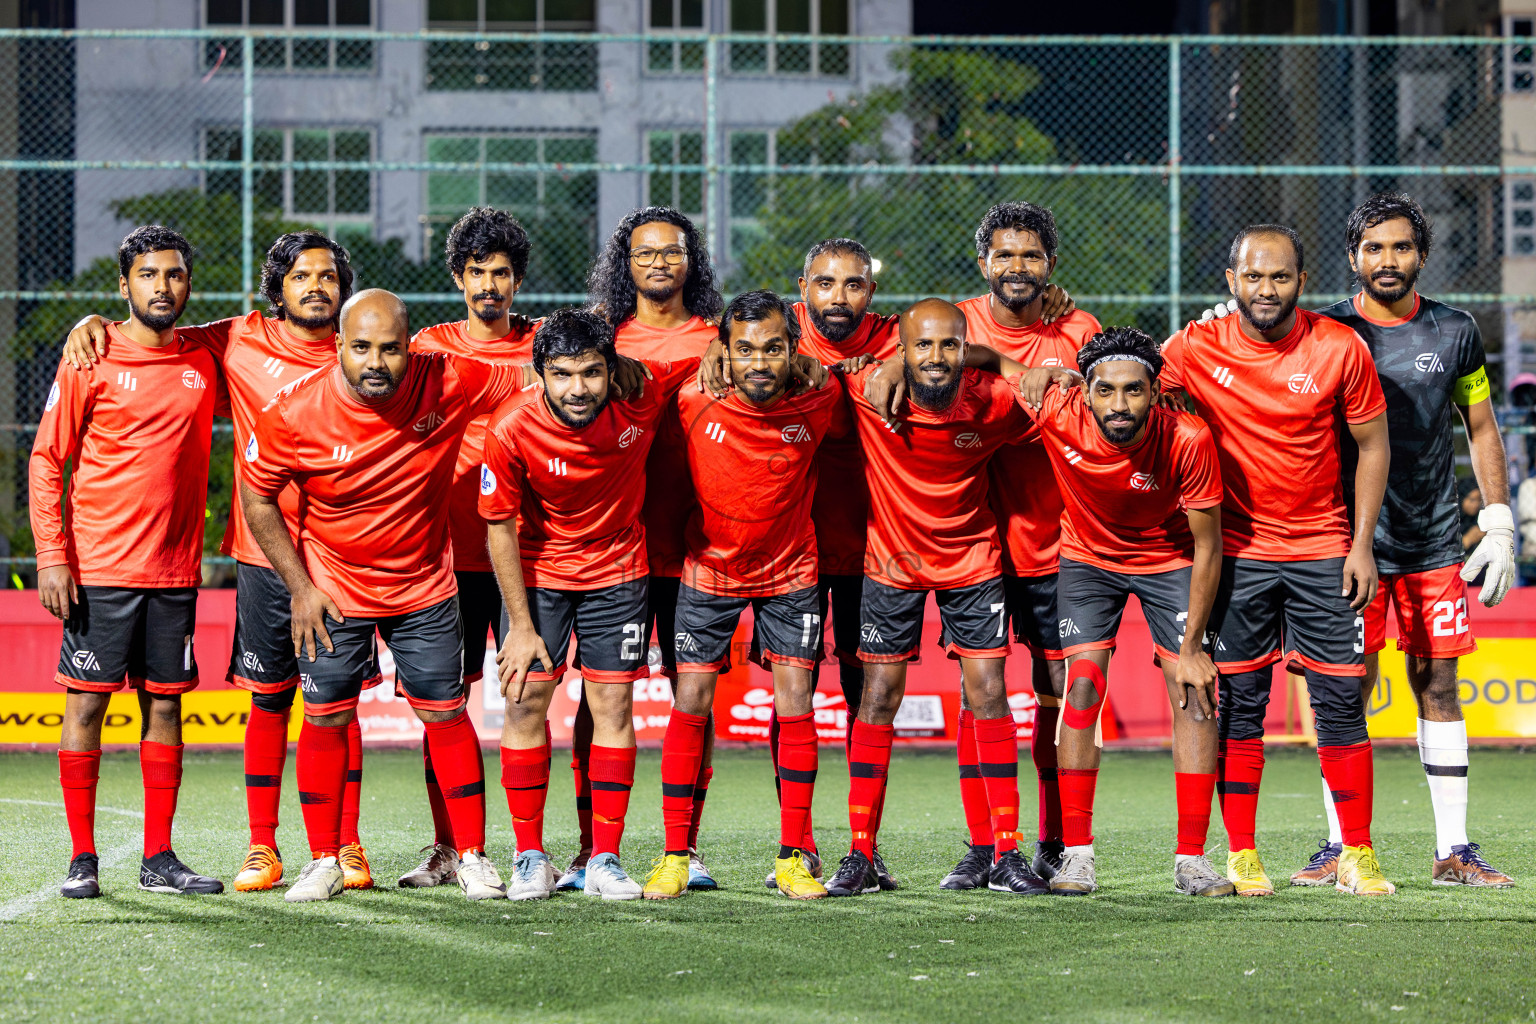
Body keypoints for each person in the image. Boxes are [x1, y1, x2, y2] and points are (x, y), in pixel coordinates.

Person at [60, 231, 369, 893]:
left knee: (338, 704)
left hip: (345, 556)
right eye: (301, 276)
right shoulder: (233, 342)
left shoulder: (367, 351)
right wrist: (92, 324)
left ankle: (347, 843)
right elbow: (152, 334)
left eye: (328, 277)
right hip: (261, 554)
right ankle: (263, 846)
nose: (316, 287)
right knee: (269, 699)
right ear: (278, 287)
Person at [240, 289, 531, 903]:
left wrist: (608, 359)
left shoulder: (448, 378)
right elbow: (257, 496)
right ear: (339, 346)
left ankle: (471, 856)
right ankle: (323, 859)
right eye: (363, 347)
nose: (378, 361)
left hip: (424, 586)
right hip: (334, 591)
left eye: (392, 348)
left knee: (445, 715)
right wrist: (300, 588)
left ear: (411, 348)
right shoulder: (293, 412)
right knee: (325, 717)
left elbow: (533, 373)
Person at [1290, 193, 1515, 888]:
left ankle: (1454, 850)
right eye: (1374, 248)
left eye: (1401, 247)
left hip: (1432, 542)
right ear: (1353, 257)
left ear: (1421, 254)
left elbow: (1479, 426)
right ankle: (1338, 846)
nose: (1388, 261)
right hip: (1342, 544)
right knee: (1345, 690)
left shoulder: (1456, 331)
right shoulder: (1319, 332)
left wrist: (1500, 516)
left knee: (1439, 683)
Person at [1161, 224, 1393, 897]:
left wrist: (1360, 543)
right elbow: (1127, 388)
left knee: (1342, 703)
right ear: (1230, 281)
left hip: (1324, 550)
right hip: (1236, 557)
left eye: (1280, 277)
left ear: (1302, 280)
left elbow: (1372, 446)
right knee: (1241, 707)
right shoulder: (1194, 347)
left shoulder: (1339, 346)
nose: (1267, 290)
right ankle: (1242, 854)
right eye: (1254, 277)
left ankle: (1358, 852)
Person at [826, 298, 1046, 898]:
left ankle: (1004, 852)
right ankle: (861, 854)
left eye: (949, 345)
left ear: (964, 347)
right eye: (922, 346)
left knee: (990, 693)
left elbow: (1055, 396)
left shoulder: (995, 401)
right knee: (877, 697)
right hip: (890, 564)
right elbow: (807, 368)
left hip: (973, 561)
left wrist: (1043, 371)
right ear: (902, 350)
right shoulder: (867, 392)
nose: (936, 357)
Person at [479, 308, 699, 901]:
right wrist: (520, 628)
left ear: (612, 370)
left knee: (613, 707)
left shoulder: (640, 395)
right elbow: (498, 528)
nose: (579, 388)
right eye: (563, 374)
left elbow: (715, 361)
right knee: (525, 704)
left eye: (592, 373)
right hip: (539, 577)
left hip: (619, 574)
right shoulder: (509, 427)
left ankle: (604, 857)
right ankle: (529, 856)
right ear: (540, 374)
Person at [33, 225, 223, 897]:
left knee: (165, 709)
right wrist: (53, 557)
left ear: (187, 283)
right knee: (85, 707)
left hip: (173, 573)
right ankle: (81, 858)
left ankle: (158, 858)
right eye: (148, 275)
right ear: (124, 285)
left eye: (174, 274)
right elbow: (46, 459)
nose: (163, 286)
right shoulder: (91, 355)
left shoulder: (206, 353)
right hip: (99, 571)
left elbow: (271, 335)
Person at [643, 290, 850, 900]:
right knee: (692, 698)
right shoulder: (691, 397)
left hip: (791, 571)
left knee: (795, 700)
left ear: (793, 350)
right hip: (708, 570)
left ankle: (794, 856)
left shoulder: (819, 397)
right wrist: (708, 348)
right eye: (744, 349)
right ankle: (676, 853)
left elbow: (833, 370)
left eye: (774, 348)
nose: (760, 361)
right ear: (724, 352)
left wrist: (811, 361)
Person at [1010, 327, 1232, 897]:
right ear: (1084, 391)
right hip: (1087, 559)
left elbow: (1209, 546)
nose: (1119, 404)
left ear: (1156, 391)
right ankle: (1077, 856)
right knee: (1080, 685)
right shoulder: (1057, 407)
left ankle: (1192, 860)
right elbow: (982, 360)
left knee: (1193, 691)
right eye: (1105, 390)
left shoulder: (1188, 437)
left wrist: (1192, 649)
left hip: (1169, 558)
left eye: (1134, 391)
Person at [944, 201, 1102, 889]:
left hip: (1057, 543)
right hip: (973, 541)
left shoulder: (1079, 329)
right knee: (977, 689)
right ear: (983, 263)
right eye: (1004, 255)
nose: (1017, 267)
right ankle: (984, 848)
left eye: (1030, 256)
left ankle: (1056, 841)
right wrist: (1009, 367)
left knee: (1058, 690)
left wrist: (1064, 375)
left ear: (1050, 266)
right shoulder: (953, 324)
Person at [571, 206, 725, 891]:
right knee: (599, 699)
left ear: (691, 262)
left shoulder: (724, 341)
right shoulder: (600, 343)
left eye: (672, 251)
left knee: (695, 697)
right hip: (618, 551)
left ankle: (682, 851)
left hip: (698, 550)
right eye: (644, 253)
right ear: (623, 264)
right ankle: (589, 848)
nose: (659, 262)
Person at [402, 206, 539, 889]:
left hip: (525, 558)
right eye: (479, 273)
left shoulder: (546, 348)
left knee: (529, 703)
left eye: (503, 274)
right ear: (458, 278)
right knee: (442, 706)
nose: (491, 286)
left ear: (519, 282)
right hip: (445, 557)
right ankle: (448, 846)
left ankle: (531, 851)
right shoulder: (428, 348)